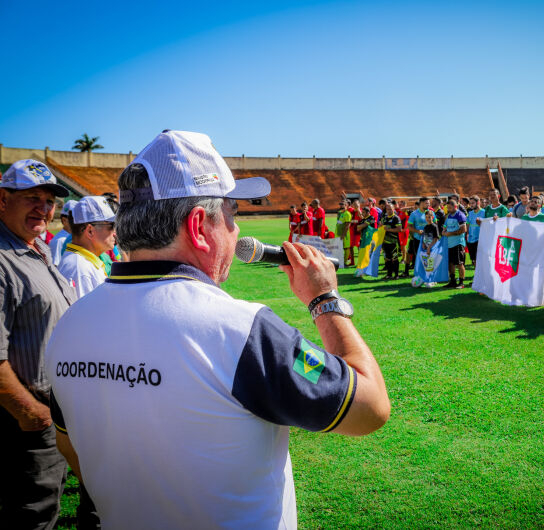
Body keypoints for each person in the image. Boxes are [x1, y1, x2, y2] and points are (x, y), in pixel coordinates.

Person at [45, 130, 390, 528]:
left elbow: (69, 445)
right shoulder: (241, 330)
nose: (237, 231)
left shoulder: (71, 323)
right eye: (232, 214)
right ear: (198, 225)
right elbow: (370, 408)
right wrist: (324, 300)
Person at [0, 159, 75, 529]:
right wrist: (33, 415)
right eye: (32, 197)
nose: (43, 209)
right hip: (25, 423)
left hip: (50, 414)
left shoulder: (35, 249)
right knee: (32, 516)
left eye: (49, 201)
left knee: (47, 507)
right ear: (2, 200)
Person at [58, 196, 117, 298]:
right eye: (111, 226)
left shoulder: (83, 263)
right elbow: (83, 313)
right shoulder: (79, 269)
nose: (115, 233)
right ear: (90, 231)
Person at [442, 198, 467, 289]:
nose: (448, 209)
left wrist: (450, 233)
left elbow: (464, 229)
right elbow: (445, 226)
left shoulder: (460, 215)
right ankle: (452, 281)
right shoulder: (448, 215)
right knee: (450, 263)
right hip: (449, 244)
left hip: (458, 243)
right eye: (447, 207)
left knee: (459, 263)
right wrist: (444, 231)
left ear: (455, 206)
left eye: (450, 207)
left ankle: (461, 282)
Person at [405, 197, 430, 277]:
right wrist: (417, 231)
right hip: (417, 239)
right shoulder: (414, 214)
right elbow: (409, 226)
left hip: (428, 239)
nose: (428, 205)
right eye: (426, 203)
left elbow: (435, 224)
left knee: (428, 257)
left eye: (428, 203)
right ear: (421, 203)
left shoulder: (430, 213)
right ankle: (419, 274)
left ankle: (428, 274)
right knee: (418, 257)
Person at [48, 199, 78, 266]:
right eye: (74, 219)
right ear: (64, 220)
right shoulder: (60, 241)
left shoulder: (75, 237)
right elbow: (55, 267)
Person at [379, 199, 402, 279]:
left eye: (390, 209)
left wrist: (388, 229)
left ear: (393, 209)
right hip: (385, 243)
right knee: (387, 259)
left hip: (394, 242)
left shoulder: (396, 218)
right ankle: (389, 274)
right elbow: (380, 227)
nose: (388, 210)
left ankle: (396, 275)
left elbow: (399, 229)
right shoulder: (384, 218)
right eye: (387, 209)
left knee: (394, 259)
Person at [465, 196, 484, 267]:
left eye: (473, 203)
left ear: (478, 202)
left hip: (480, 239)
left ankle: (481, 275)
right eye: (470, 203)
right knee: (474, 260)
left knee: (480, 259)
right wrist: (467, 234)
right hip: (471, 239)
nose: (471, 205)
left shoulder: (484, 212)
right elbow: (468, 224)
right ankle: (477, 276)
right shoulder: (470, 213)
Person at [335, 200, 352, 266]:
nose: (341, 206)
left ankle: (344, 262)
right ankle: (339, 261)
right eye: (341, 204)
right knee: (338, 248)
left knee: (346, 248)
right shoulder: (339, 213)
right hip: (338, 233)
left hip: (344, 235)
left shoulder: (347, 214)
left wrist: (343, 234)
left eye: (343, 205)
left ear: (346, 206)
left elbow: (347, 225)